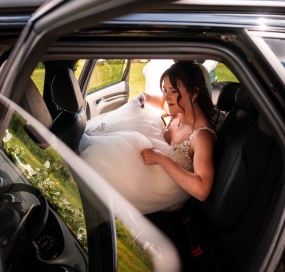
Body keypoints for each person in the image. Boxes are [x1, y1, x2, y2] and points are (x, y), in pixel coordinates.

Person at [78, 61, 218, 214]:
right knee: (125, 128)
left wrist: (161, 158)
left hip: (170, 186)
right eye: (164, 90)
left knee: (128, 145)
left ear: (194, 92)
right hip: (158, 166)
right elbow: (162, 102)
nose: (167, 96)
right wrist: (144, 97)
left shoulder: (201, 136)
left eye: (173, 91)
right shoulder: (181, 109)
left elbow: (202, 190)